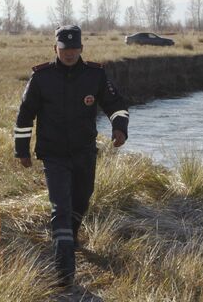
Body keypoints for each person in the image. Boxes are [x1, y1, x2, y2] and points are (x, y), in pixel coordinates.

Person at [14, 25, 129, 288]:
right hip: (53, 154)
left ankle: (71, 237)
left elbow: (116, 104)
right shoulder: (41, 78)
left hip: (84, 152)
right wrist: (22, 150)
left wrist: (119, 128)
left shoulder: (95, 75)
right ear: (55, 48)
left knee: (81, 199)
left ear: (81, 49)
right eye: (64, 49)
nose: (69, 53)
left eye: (73, 48)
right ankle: (65, 271)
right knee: (61, 208)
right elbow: (25, 114)